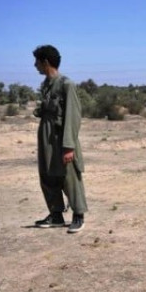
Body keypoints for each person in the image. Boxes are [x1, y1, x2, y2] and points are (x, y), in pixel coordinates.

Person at [33, 45, 87, 233]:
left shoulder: (66, 84)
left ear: (46, 62)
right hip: (45, 136)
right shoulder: (46, 85)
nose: (35, 66)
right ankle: (55, 214)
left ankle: (78, 215)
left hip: (61, 137)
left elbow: (73, 116)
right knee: (47, 175)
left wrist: (68, 146)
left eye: (37, 62)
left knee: (69, 176)